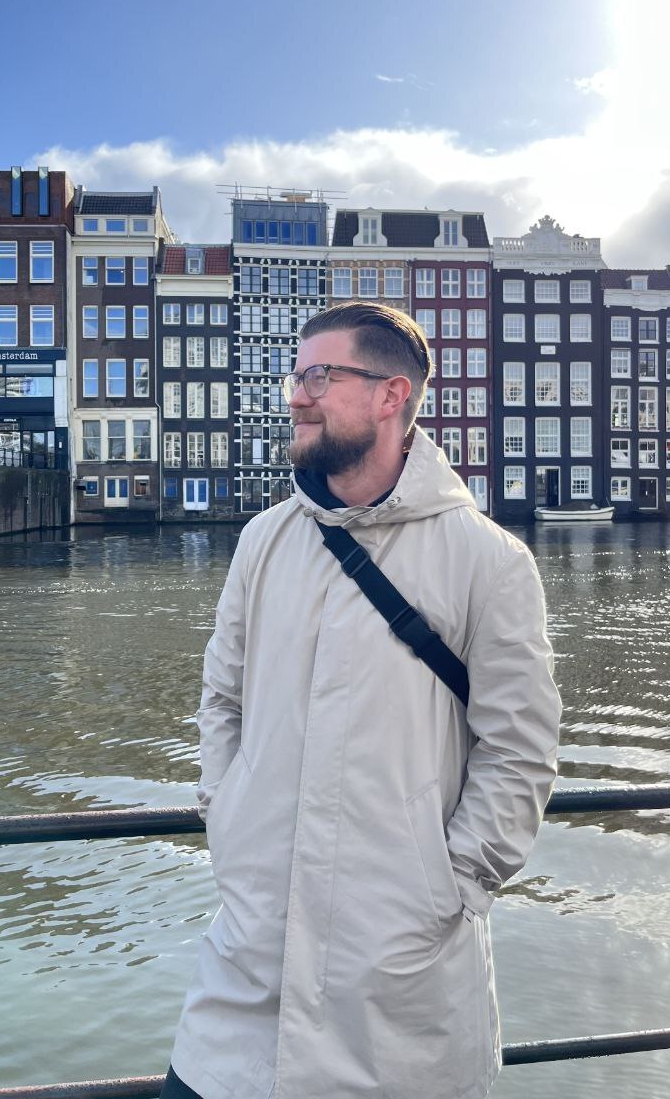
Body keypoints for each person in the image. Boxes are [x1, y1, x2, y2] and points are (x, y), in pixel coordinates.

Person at [163, 301, 561, 1099]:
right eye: (295, 377)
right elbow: (222, 697)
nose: (296, 396)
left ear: (391, 395)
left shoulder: (489, 561)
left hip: (398, 986)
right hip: (246, 973)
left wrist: (448, 888)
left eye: (319, 376)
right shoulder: (264, 541)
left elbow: (520, 750)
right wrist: (228, 812)